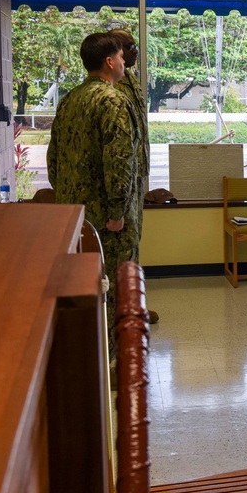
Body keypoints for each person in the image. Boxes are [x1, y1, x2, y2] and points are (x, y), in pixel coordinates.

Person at [47, 32, 139, 359]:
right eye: (121, 55)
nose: (126, 60)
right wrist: (117, 213)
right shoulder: (112, 101)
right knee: (112, 289)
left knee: (83, 287)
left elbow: (53, 160)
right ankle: (111, 362)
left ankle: (87, 354)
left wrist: (67, 203)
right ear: (110, 61)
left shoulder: (71, 99)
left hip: (75, 218)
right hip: (106, 222)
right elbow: (119, 162)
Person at [108, 29, 158, 324]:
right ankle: (123, 313)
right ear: (114, 54)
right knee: (122, 248)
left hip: (135, 178)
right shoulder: (111, 89)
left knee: (133, 244)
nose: (135, 51)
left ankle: (134, 305)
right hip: (121, 179)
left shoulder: (130, 80)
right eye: (129, 47)